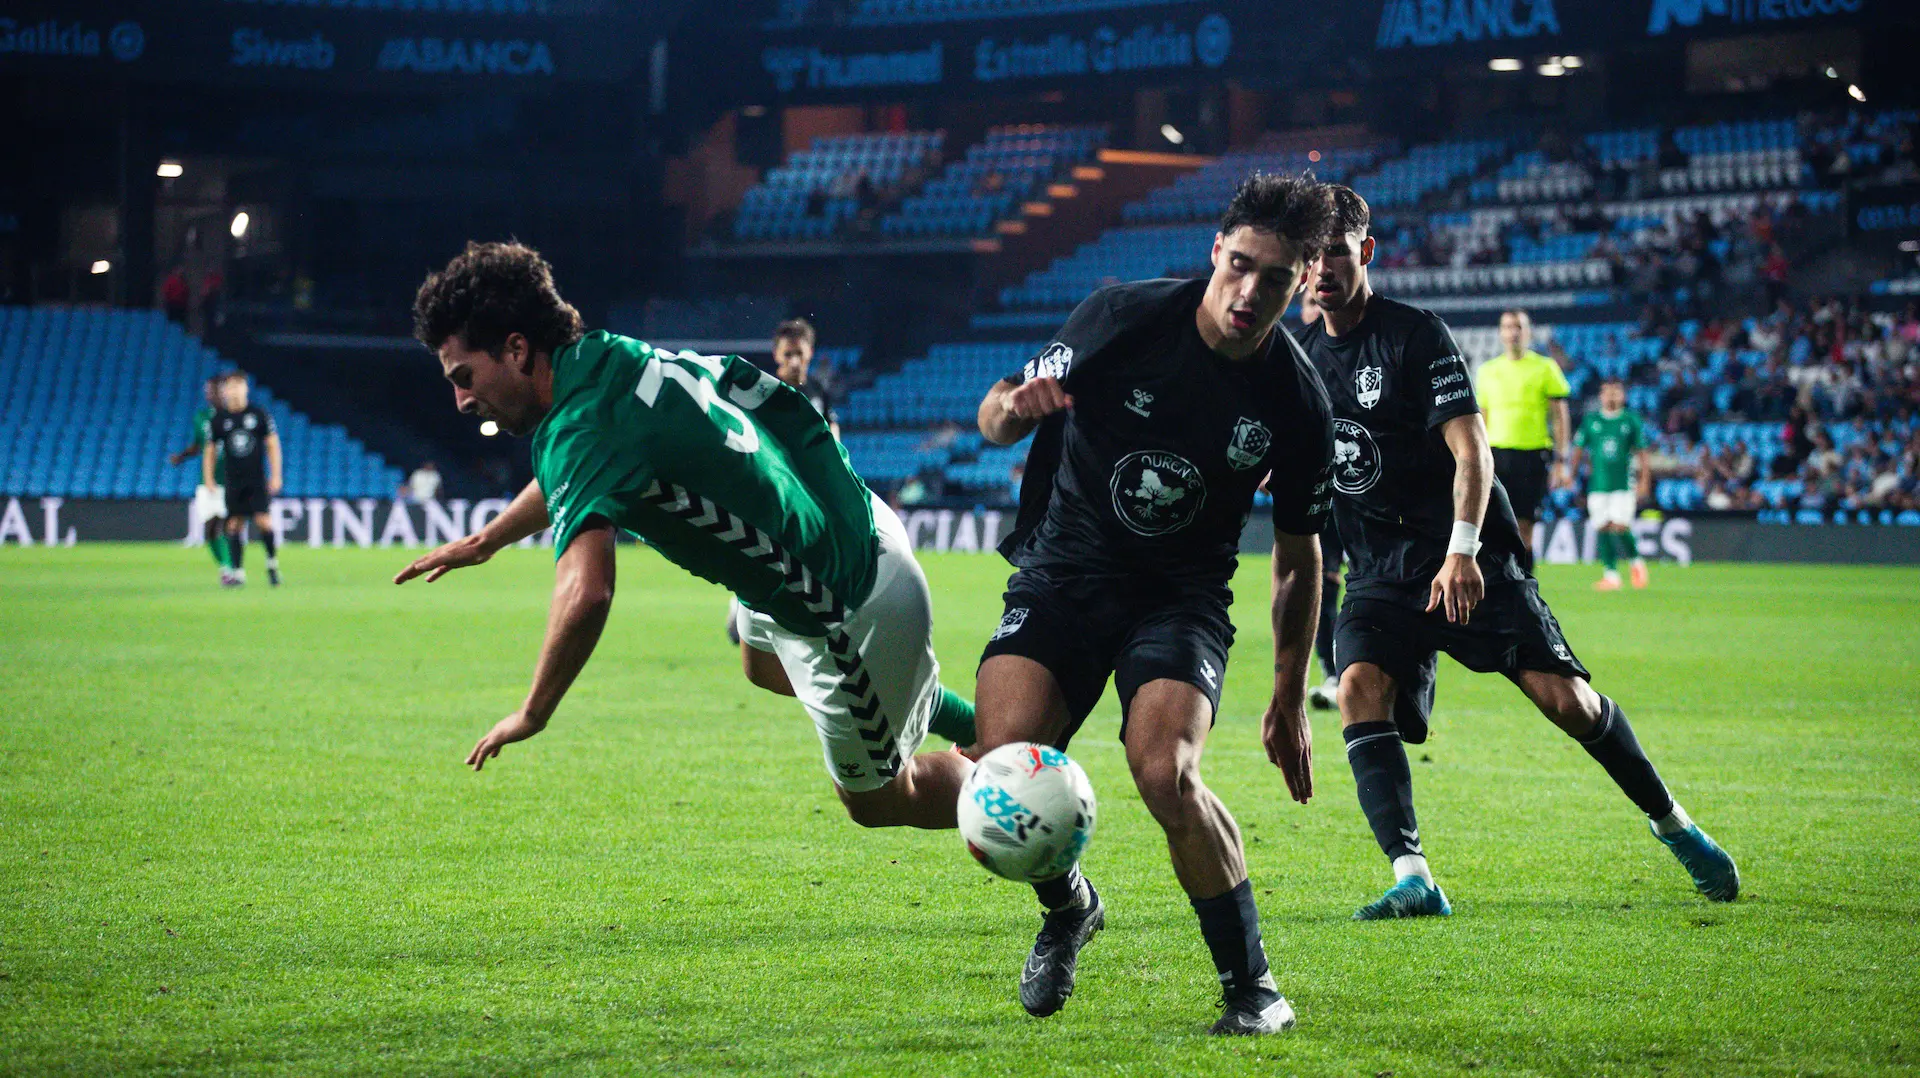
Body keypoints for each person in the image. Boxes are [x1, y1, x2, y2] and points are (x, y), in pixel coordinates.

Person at [395, 241, 978, 829]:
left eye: (465, 376)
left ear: (517, 348)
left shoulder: (578, 428)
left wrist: (533, 712)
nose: (462, 399)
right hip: (846, 513)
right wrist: (486, 540)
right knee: (762, 665)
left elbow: (587, 592)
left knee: (877, 801)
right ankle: (934, 706)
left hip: (847, 605)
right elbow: (576, 472)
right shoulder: (599, 360)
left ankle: (1017, 789)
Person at [1295, 185, 1737, 921]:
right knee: (1357, 687)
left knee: (1566, 702)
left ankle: (1674, 825)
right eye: (1313, 258)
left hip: (1469, 559)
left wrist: (1463, 550)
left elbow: (1473, 453)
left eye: (1338, 255)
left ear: (1365, 253)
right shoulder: (1301, 358)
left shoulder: (1415, 336)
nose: (1324, 271)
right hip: (1380, 570)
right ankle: (1415, 877)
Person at [973, 173, 1336, 1036]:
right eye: (1240, 265)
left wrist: (1288, 696)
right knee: (1000, 770)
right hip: (1065, 577)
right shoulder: (1121, 317)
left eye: (1276, 279)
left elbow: (1297, 560)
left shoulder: (1296, 400)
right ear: (1216, 251)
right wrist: (1014, 411)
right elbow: (992, 415)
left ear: (1303, 281)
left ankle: (1253, 988)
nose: (1250, 293)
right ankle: (1069, 907)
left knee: (1165, 772)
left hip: (1179, 600)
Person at [1476, 309, 1571, 561]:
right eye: (1507, 327)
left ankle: (1524, 590)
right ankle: (1499, 587)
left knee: (1525, 526)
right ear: (1500, 333)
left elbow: (1560, 416)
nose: (1513, 332)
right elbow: (1481, 419)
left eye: (1518, 327)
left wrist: (1562, 460)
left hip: (1532, 454)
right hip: (1496, 455)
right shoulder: (1487, 371)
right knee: (1491, 525)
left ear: (1528, 332)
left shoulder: (1545, 367)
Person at [1297, 287, 1342, 711]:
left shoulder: (1356, 349)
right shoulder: (1291, 355)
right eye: (1309, 303)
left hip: (1365, 490)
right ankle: (1333, 673)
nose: (1316, 308)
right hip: (1319, 490)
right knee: (1322, 584)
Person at [205, 371, 283, 587]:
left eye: (239, 386)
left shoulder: (259, 415)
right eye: (230, 386)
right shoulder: (219, 420)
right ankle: (238, 572)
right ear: (225, 391)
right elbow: (210, 451)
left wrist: (276, 475)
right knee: (234, 525)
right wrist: (209, 478)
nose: (234, 390)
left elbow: (273, 445)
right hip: (233, 481)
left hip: (256, 480)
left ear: (246, 389)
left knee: (264, 522)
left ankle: (272, 565)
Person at [1573, 380, 1652, 591]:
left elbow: (1642, 453)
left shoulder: (1630, 420)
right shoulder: (1591, 421)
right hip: (1598, 485)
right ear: (1601, 396)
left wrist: (1645, 480)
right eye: (1608, 393)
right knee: (1603, 526)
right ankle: (1611, 575)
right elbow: (1579, 449)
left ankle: (1636, 562)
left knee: (1620, 525)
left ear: (1623, 396)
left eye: (1616, 393)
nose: (1612, 397)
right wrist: (1571, 474)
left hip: (1623, 484)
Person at [169, 376, 233, 583]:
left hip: (229, 479)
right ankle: (226, 568)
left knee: (221, 524)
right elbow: (199, 445)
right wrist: (182, 456)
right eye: (207, 390)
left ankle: (230, 569)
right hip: (206, 481)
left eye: (213, 390)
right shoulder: (201, 417)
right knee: (210, 530)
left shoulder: (234, 416)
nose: (209, 394)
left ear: (224, 391)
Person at [771, 318, 839, 439]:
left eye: (799, 353)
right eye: (788, 354)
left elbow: (831, 425)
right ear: (776, 354)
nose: (794, 362)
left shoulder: (818, 389)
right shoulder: (767, 390)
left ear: (810, 352)